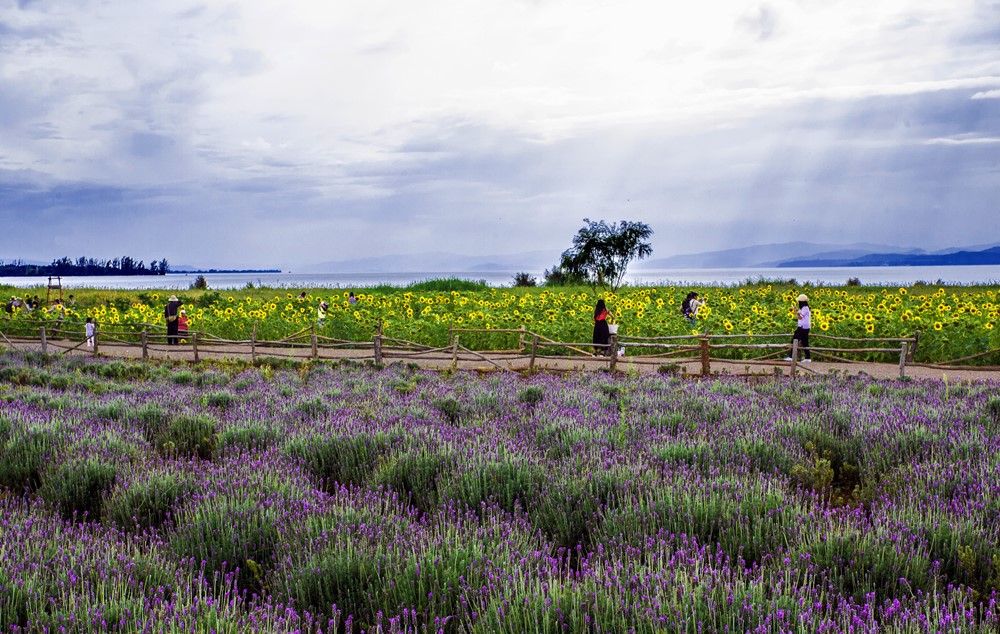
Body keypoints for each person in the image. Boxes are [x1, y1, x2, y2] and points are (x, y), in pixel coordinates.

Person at [786, 293, 811, 362]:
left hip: (803, 327)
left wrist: (795, 312)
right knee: (805, 342)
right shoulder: (804, 308)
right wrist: (796, 310)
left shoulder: (805, 308)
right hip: (805, 327)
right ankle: (808, 358)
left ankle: (791, 357)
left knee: (794, 340)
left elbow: (800, 317)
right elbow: (800, 314)